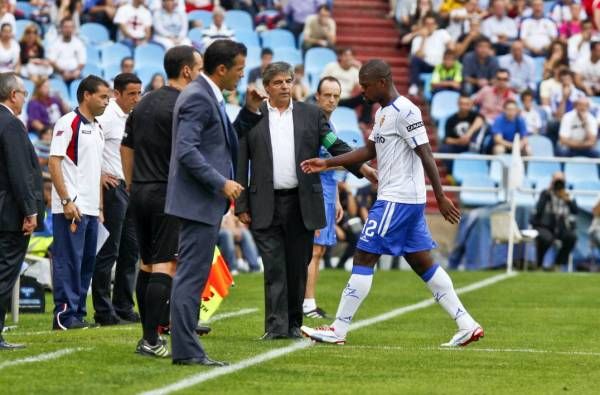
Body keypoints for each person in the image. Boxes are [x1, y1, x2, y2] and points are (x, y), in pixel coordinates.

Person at [300, 60, 482, 347]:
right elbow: (367, 151)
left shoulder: (406, 110)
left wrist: (442, 195)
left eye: (366, 85)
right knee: (423, 263)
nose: (362, 91)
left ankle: (338, 328)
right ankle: (466, 323)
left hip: (398, 199)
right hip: (402, 199)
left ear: (381, 82)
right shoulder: (383, 112)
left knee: (363, 256)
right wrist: (327, 162)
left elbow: (426, 154)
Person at [234, 61, 376, 341]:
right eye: (278, 82)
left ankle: (293, 324)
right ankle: (275, 327)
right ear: (267, 88)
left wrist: (361, 167)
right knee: (274, 266)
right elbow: (240, 161)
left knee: (298, 265)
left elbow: (337, 145)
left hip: (301, 203)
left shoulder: (311, 115)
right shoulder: (254, 116)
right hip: (265, 202)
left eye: (288, 81)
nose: (285, 86)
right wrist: (241, 204)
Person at [166, 40, 264, 365]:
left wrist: (249, 112)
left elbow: (221, 143)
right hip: (197, 202)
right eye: (238, 69)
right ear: (221, 69)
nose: (241, 76)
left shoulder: (208, 94)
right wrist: (221, 182)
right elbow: (186, 150)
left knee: (193, 276)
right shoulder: (198, 97)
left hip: (203, 203)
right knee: (191, 277)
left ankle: (187, 347)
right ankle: (186, 350)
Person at [122, 45, 204, 357]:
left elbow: (126, 148)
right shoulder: (187, 104)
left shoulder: (143, 103)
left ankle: (148, 337)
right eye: (199, 68)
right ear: (186, 71)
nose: (201, 74)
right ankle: (151, 340)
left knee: (146, 264)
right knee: (164, 265)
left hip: (140, 191)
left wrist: (132, 184)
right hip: (168, 193)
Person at [49, 75, 110, 330]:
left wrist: (100, 207)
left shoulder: (97, 127)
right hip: (71, 205)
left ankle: (77, 313)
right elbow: (54, 162)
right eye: (103, 96)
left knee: (86, 262)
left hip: (91, 206)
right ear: (87, 95)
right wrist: (65, 200)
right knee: (69, 261)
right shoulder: (68, 122)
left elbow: (96, 171)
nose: (107, 101)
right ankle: (63, 315)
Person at [92, 73, 142, 326]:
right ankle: (103, 310)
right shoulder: (107, 117)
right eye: (131, 93)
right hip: (113, 190)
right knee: (109, 251)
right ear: (117, 94)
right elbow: (90, 146)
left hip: (129, 189)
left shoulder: (131, 116)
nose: (136, 98)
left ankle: (123, 305)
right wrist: (98, 173)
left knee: (131, 251)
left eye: (138, 93)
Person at [0, 72, 44, 349]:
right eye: (24, 94)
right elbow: (20, 172)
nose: (24, 99)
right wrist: (30, 210)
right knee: (4, 274)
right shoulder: (11, 125)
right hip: (8, 213)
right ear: (13, 95)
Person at [303, 76, 345, 319]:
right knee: (314, 250)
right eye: (327, 95)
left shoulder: (331, 125)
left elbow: (330, 166)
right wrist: (341, 162)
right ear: (317, 96)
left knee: (318, 251)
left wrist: (337, 198)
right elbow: (314, 164)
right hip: (315, 193)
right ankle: (307, 303)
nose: (331, 100)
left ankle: (308, 300)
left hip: (328, 193)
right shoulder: (312, 125)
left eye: (335, 96)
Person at [531, 172, 577, 270]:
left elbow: (575, 211)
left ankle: (557, 264)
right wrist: (548, 193)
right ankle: (539, 264)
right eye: (557, 181)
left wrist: (568, 200)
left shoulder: (568, 194)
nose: (559, 184)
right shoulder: (545, 193)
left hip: (561, 226)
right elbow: (538, 210)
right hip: (545, 225)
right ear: (552, 181)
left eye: (561, 181)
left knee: (571, 237)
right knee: (546, 238)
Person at [321, 48, 372, 126]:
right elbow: (322, 81)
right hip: (332, 97)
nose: (348, 58)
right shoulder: (331, 66)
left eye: (350, 56)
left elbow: (363, 86)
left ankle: (364, 123)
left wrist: (360, 68)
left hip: (346, 100)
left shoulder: (355, 71)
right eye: (345, 55)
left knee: (368, 95)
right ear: (340, 57)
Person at [406, 13, 454, 96]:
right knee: (415, 59)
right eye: (427, 24)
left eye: (432, 24)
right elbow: (419, 55)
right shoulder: (418, 39)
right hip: (426, 66)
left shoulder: (442, 33)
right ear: (423, 25)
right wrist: (424, 38)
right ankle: (414, 86)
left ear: (436, 25)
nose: (429, 26)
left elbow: (452, 47)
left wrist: (449, 45)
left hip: (441, 66)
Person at [439, 95, 485, 170]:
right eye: (462, 104)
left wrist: (468, 134)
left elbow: (480, 120)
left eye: (467, 104)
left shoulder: (475, 115)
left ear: (471, 105)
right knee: (444, 149)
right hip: (457, 145)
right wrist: (459, 141)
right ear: (458, 104)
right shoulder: (451, 119)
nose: (464, 106)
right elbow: (447, 139)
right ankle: (452, 171)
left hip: (472, 144)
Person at [47, 18, 86, 83]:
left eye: (71, 27)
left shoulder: (79, 43)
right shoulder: (55, 43)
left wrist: (76, 71)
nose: (68, 29)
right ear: (61, 28)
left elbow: (82, 62)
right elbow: (51, 61)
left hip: (75, 74)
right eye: (66, 27)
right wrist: (63, 72)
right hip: (59, 74)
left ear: (74, 29)